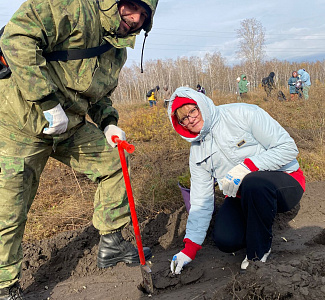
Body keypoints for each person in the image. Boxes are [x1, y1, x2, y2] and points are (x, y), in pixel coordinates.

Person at [0, 0, 158, 297]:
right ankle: (5, 286)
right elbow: (16, 37)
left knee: (114, 162)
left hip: (68, 126)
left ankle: (111, 244)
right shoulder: (72, 7)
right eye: (133, 6)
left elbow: (99, 96)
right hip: (20, 122)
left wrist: (109, 122)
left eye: (144, 15)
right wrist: (47, 101)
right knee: (10, 207)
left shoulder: (116, 51)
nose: (135, 18)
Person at [167, 87, 305, 275]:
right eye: (183, 118)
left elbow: (288, 148)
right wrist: (189, 249)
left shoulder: (243, 113)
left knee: (253, 182)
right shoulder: (197, 151)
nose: (190, 119)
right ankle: (259, 217)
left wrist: (248, 166)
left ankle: (258, 254)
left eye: (192, 110)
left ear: (201, 105)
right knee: (226, 240)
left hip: (284, 181)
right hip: (242, 196)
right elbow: (201, 199)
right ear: (180, 124)